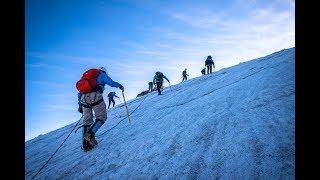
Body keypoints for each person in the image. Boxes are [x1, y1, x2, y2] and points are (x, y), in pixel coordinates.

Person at [77, 66, 124, 151]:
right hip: (95, 96)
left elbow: (79, 92)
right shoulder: (101, 74)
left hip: (83, 98)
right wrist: (120, 85)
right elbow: (111, 82)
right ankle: (90, 135)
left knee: (87, 121)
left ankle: (85, 144)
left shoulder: (86, 77)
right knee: (101, 117)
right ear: (104, 71)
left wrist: (80, 105)